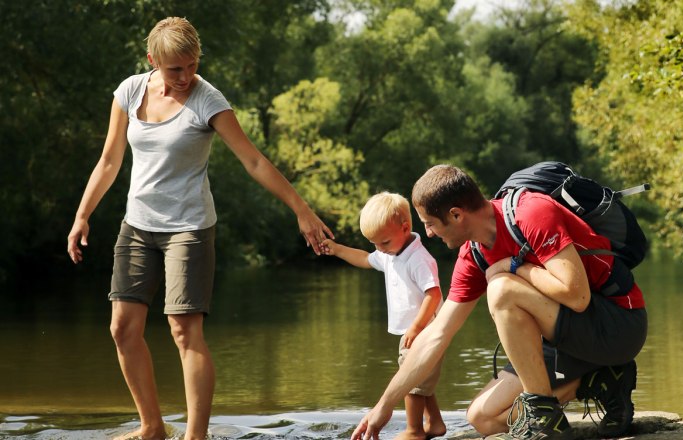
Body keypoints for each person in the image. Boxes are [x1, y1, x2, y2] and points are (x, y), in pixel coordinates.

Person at [66, 17, 333, 440]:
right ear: (153, 60)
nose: (187, 75)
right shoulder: (130, 90)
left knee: (183, 330)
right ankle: (152, 427)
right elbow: (110, 160)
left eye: (192, 65)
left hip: (188, 228)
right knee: (122, 327)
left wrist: (301, 209)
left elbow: (254, 161)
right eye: (176, 69)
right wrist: (82, 215)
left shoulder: (208, 101)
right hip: (137, 225)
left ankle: (196, 436)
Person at [350, 165, 648, 440]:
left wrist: (513, 266)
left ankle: (543, 420)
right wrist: (384, 406)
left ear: (456, 214)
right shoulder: (474, 254)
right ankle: (601, 380)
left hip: (618, 325)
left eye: (430, 223)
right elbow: (437, 334)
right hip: (565, 339)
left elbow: (578, 297)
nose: (427, 232)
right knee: (483, 417)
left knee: (501, 290)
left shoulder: (530, 213)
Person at [321, 192, 446, 440]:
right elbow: (365, 259)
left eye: (384, 242)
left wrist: (417, 327)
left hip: (426, 331)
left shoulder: (419, 259)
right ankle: (434, 423)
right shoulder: (391, 252)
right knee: (421, 382)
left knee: (411, 380)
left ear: (405, 227)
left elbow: (433, 294)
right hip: (412, 331)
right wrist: (337, 250)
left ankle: (414, 430)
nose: (380, 249)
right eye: (375, 244)